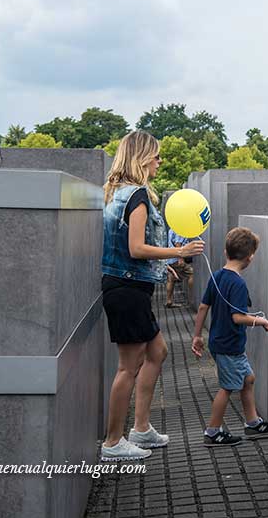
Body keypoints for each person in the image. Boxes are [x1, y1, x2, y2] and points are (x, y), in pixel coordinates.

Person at [100, 131, 204, 461]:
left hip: (129, 287)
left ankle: (141, 428)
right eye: (157, 156)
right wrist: (178, 250)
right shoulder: (138, 196)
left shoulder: (119, 193)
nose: (160, 162)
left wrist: (165, 261)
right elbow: (136, 247)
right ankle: (113, 443)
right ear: (143, 158)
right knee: (127, 368)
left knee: (157, 352)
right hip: (127, 290)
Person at [191, 227, 268, 447]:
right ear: (250, 257)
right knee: (228, 386)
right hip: (229, 344)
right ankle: (212, 431)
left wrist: (197, 336)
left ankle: (252, 422)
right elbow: (238, 317)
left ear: (225, 252)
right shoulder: (238, 283)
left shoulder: (217, 276)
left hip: (221, 341)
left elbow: (203, 307)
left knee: (247, 379)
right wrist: (263, 322)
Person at [165, 228, 194, 308]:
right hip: (177, 259)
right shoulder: (180, 229)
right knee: (192, 274)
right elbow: (178, 244)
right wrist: (180, 258)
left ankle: (169, 301)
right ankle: (193, 299)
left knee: (171, 279)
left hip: (170, 258)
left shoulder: (171, 229)